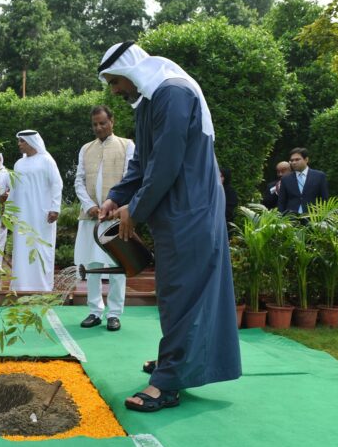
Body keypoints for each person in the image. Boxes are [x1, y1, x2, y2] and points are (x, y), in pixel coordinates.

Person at [98, 41, 241, 412]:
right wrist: (117, 196)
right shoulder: (149, 101)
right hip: (176, 212)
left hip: (191, 210)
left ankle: (168, 382)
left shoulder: (172, 93)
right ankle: (176, 362)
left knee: (183, 294)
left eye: (114, 81)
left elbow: (167, 163)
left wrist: (137, 209)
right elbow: (143, 160)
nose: (114, 91)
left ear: (129, 71)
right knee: (176, 292)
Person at [75, 105, 134, 332]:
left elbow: (130, 178)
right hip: (90, 218)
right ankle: (94, 311)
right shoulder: (85, 149)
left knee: (117, 266)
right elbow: (79, 181)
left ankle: (114, 313)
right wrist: (89, 206)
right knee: (92, 264)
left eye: (103, 123)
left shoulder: (127, 145)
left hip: (116, 216)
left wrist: (116, 204)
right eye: (95, 124)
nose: (99, 127)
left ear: (112, 121)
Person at [10, 130, 63, 292]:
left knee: (41, 248)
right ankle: (20, 285)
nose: (19, 144)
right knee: (21, 248)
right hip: (22, 215)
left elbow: (56, 184)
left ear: (31, 142)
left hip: (42, 215)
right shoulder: (18, 164)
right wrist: (10, 213)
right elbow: (13, 188)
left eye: (22, 141)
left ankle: (43, 286)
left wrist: (55, 208)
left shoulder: (47, 161)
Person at [278, 147, 329, 214]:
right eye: (292, 160)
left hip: (313, 217)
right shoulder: (285, 179)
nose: (294, 162)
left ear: (306, 160)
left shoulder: (319, 176)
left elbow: (324, 199)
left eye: (297, 160)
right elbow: (282, 201)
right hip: (291, 218)